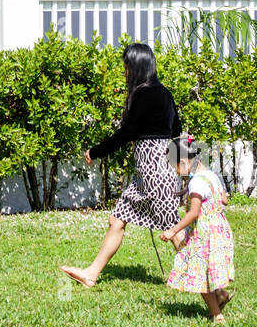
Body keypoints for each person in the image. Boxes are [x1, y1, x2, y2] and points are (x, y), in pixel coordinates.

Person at [60, 42, 182, 287]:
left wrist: (96, 151)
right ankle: (91, 274)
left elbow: (127, 132)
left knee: (175, 230)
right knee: (117, 219)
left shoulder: (145, 94)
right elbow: (177, 132)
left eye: (127, 67)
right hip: (151, 170)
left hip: (154, 171)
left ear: (137, 67)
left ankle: (214, 289)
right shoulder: (165, 94)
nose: (125, 72)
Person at [161, 137, 235, 322]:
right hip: (218, 232)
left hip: (202, 235)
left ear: (184, 162)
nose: (177, 173)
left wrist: (172, 231)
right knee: (208, 271)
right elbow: (224, 200)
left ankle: (217, 315)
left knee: (199, 275)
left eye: (176, 167)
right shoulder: (211, 175)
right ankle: (221, 295)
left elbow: (194, 213)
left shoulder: (196, 182)